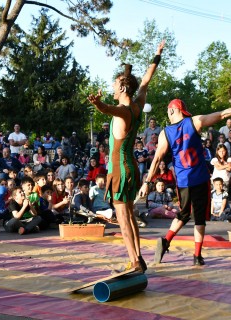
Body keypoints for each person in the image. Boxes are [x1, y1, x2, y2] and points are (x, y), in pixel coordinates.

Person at [140, 97, 231, 266]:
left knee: (183, 214)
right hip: (200, 177)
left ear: (171, 110)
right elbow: (223, 114)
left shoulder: (165, 132)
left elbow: (156, 158)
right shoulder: (194, 121)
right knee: (199, 218)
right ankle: (197, 256)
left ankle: (167, 240)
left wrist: (147, 182)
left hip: (183, 181)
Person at [88, 41, 164, 273]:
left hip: (120, 168)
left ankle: (134, 263)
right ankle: (138, 258)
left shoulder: (122, 111)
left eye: (115, 83)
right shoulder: (138, 104)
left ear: (122, 88)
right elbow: (146, 79)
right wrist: (157, 55)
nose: (112, 85)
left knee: (122, 217)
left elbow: (108, 110)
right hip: (130, 165)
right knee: (129, 214)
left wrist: (99, 104)